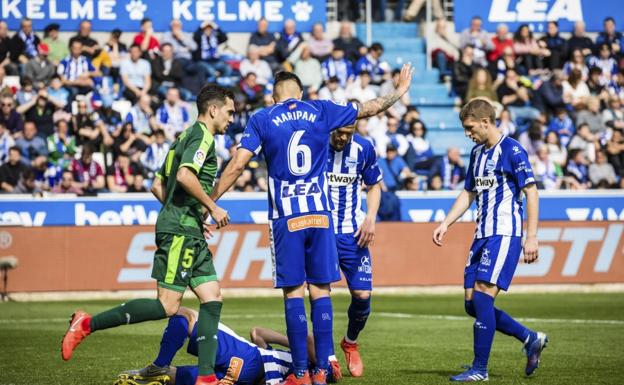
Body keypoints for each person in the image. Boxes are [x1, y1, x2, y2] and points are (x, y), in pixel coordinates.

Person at [210, 65, 414, 385]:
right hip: (320, 216)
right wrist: (399, 92)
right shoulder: (321, 109)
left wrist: (210, 201)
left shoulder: (262, 118)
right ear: (301, 93)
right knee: (321, 291)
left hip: (287, 218)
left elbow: (237, 165)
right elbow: (370, 107)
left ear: (274, 96)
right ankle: (323, 370)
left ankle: (301, 373)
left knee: (293, 293)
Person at [61, 85, 234, 385]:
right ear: (214, 109)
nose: (232, 119)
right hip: (181, 230)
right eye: (230, 112)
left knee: (212, 296)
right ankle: (86, 324)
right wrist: (211, 207)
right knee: (168, 305)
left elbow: (157, 185)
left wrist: (191, 217)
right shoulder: (203, 136)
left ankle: (206, 378)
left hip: (187, 227)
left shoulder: (183, 137)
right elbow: (184, 176)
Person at [432, 99, 547, 382]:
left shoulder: (512, 150)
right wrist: (446, 222)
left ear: (485, 122)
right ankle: (529, 337)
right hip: (481, 234)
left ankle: (479, 370)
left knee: (483, 293)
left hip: (504, 233)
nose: (467, 133)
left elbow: (531, 192)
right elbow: (469, 192)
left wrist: (531, 237)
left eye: (470, 128)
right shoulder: (476, 153)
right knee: (472, 303)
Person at [113, 307, 341, 385]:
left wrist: (293, 346)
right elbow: (257, 333)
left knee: (186, 316)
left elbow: (309, 338)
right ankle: (145, 376)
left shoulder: (315, 363)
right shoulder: (289, 364)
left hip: (250, 358)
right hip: (244, 377)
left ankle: (158, 365)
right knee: (176, 378)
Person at [326, 125, 382, 378]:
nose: (342, 138)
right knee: (319, 294)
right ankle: (327, 357)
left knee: (362, 295)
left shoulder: (363, 148)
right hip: (320, 233)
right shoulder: (314, 144)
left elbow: (374, 186)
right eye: (339, 132)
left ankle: (350, 342)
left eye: (348, 134)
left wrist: (370, 217)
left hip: (352, 233)